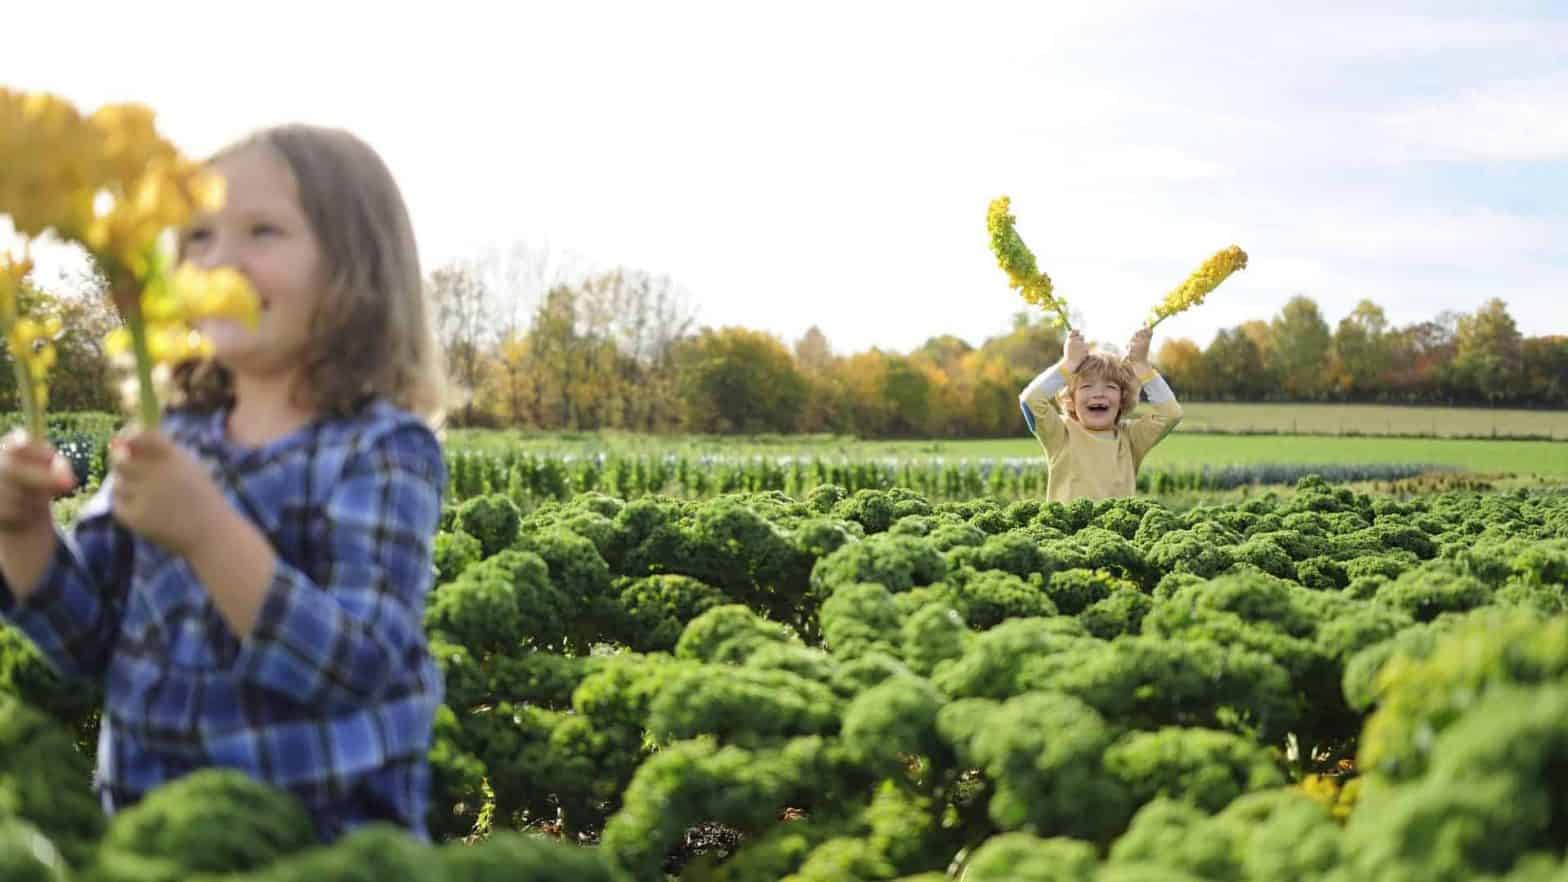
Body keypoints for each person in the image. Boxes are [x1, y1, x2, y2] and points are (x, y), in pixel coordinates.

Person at [0, 125, 449, 842]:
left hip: (320, 846)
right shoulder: (170, 437)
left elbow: (354, 667)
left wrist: (208, 533)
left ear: (358, 271)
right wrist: (22, 531)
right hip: (152, 832)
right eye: (199, 238)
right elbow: (85, 642)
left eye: (262, 232)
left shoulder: (381, 449)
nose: (220, 262)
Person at [1018, 326, 1182, 502]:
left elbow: (1171, 414)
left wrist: (1142, 366)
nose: (1099, 394)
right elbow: (1030, 400)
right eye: (1086, 386)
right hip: (1068, 529)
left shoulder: (1131, 438)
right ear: (1071, 399)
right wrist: (1068, 365)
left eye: (1110, 387)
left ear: (1122, 398)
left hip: (1116, 530)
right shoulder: (1061, 433)